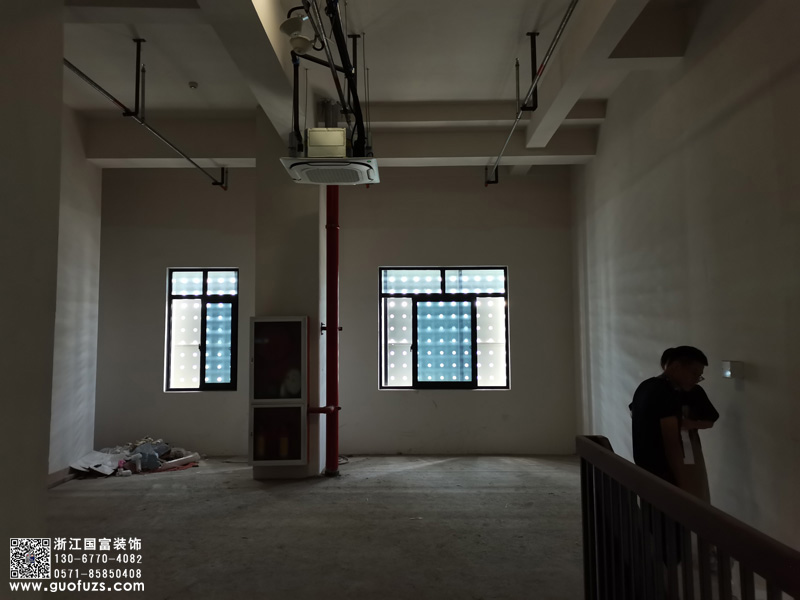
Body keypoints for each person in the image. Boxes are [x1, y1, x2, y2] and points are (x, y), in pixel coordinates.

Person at [629, 346, 709, 487]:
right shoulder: (667, 393)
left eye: (699, 376)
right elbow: (671, 443)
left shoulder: (645, 386)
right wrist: (684, 483)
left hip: (644, 468)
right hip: (664, 473)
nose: (696, 380)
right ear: (676, 366)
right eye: (694, 373)